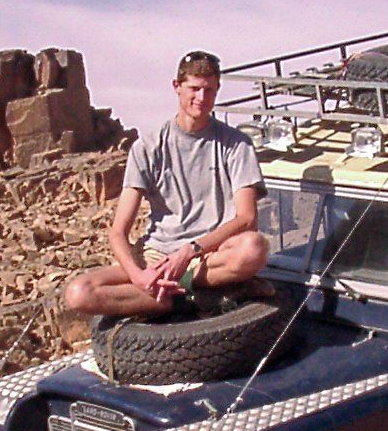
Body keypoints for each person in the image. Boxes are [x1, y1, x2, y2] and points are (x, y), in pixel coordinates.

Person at [63, 50, 269, 316]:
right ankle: (168, 296)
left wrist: (190, 251)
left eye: (209, 90)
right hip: (157, 256)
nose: (202, 97)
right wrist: (139, 277)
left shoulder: (236, 144)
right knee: (79, 293)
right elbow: (117, 233)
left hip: (207, 256)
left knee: (253, 248)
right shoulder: (148, 148)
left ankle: (173, 291)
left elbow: (246, 218)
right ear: (177, 86)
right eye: (194, 89)